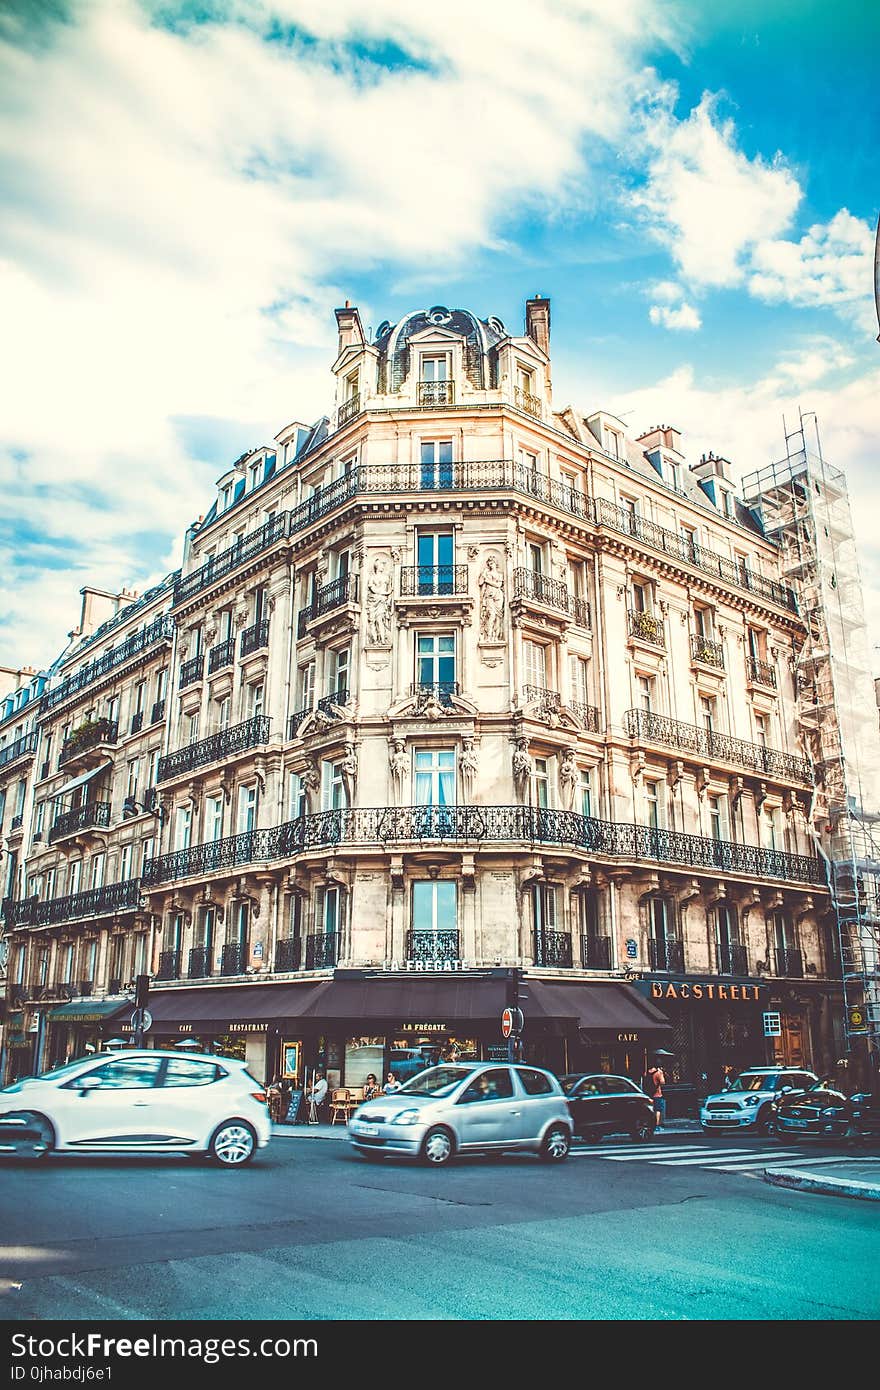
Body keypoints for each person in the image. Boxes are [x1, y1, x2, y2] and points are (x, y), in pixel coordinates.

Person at [647, 1062, 666, 1131]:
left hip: (649, 1094)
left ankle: (651, 1125)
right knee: (657, 1110)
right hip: (657, 1094)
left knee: (651, 1110)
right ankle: (656, 1125)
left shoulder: (648, 1072)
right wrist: (662, 1074)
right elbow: (663, 1082)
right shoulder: (658, 1073)